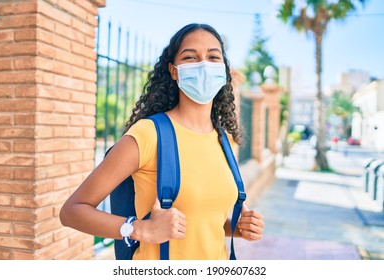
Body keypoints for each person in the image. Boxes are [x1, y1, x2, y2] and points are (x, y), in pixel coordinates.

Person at [60, 23, 264, 260]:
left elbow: (203, 221)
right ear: (174, 70)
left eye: (213, 57)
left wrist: (237, 228)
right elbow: (72, 211)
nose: (203, 65)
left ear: (224, 69)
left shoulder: (223, 140)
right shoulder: (148, 135)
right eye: (190, 57)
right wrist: (140, 229)